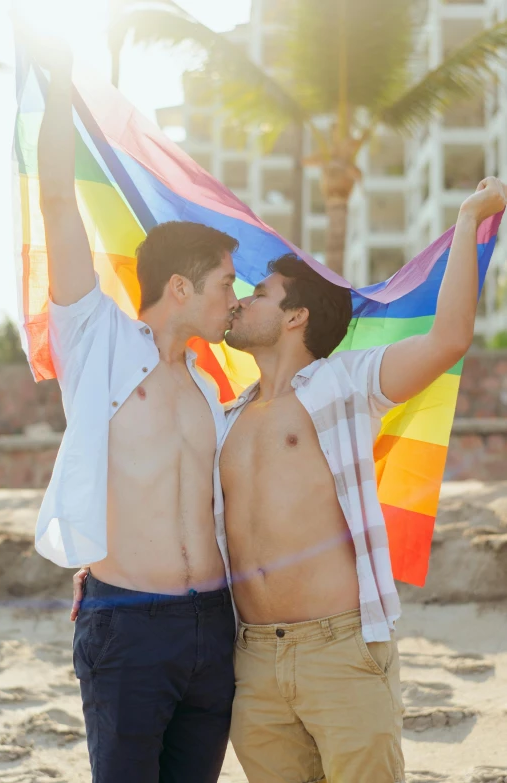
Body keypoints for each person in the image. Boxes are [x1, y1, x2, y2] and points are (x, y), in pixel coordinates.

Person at [213, 177, 505, 783]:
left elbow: (449, 339)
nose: (242, 301)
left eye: (259, 292)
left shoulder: (345, 383)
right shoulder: (223, 418)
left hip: (340, 651)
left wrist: (469, 218)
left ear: (295, 315)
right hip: (252, 660)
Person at [37, 47, 239, 783]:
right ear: (181, 287)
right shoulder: (98, 342)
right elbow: (58, 199)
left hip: (214, 627)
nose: (233, 298)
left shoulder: (211, 390)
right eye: (224, 282)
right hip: (127, 625)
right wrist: (56, 83)